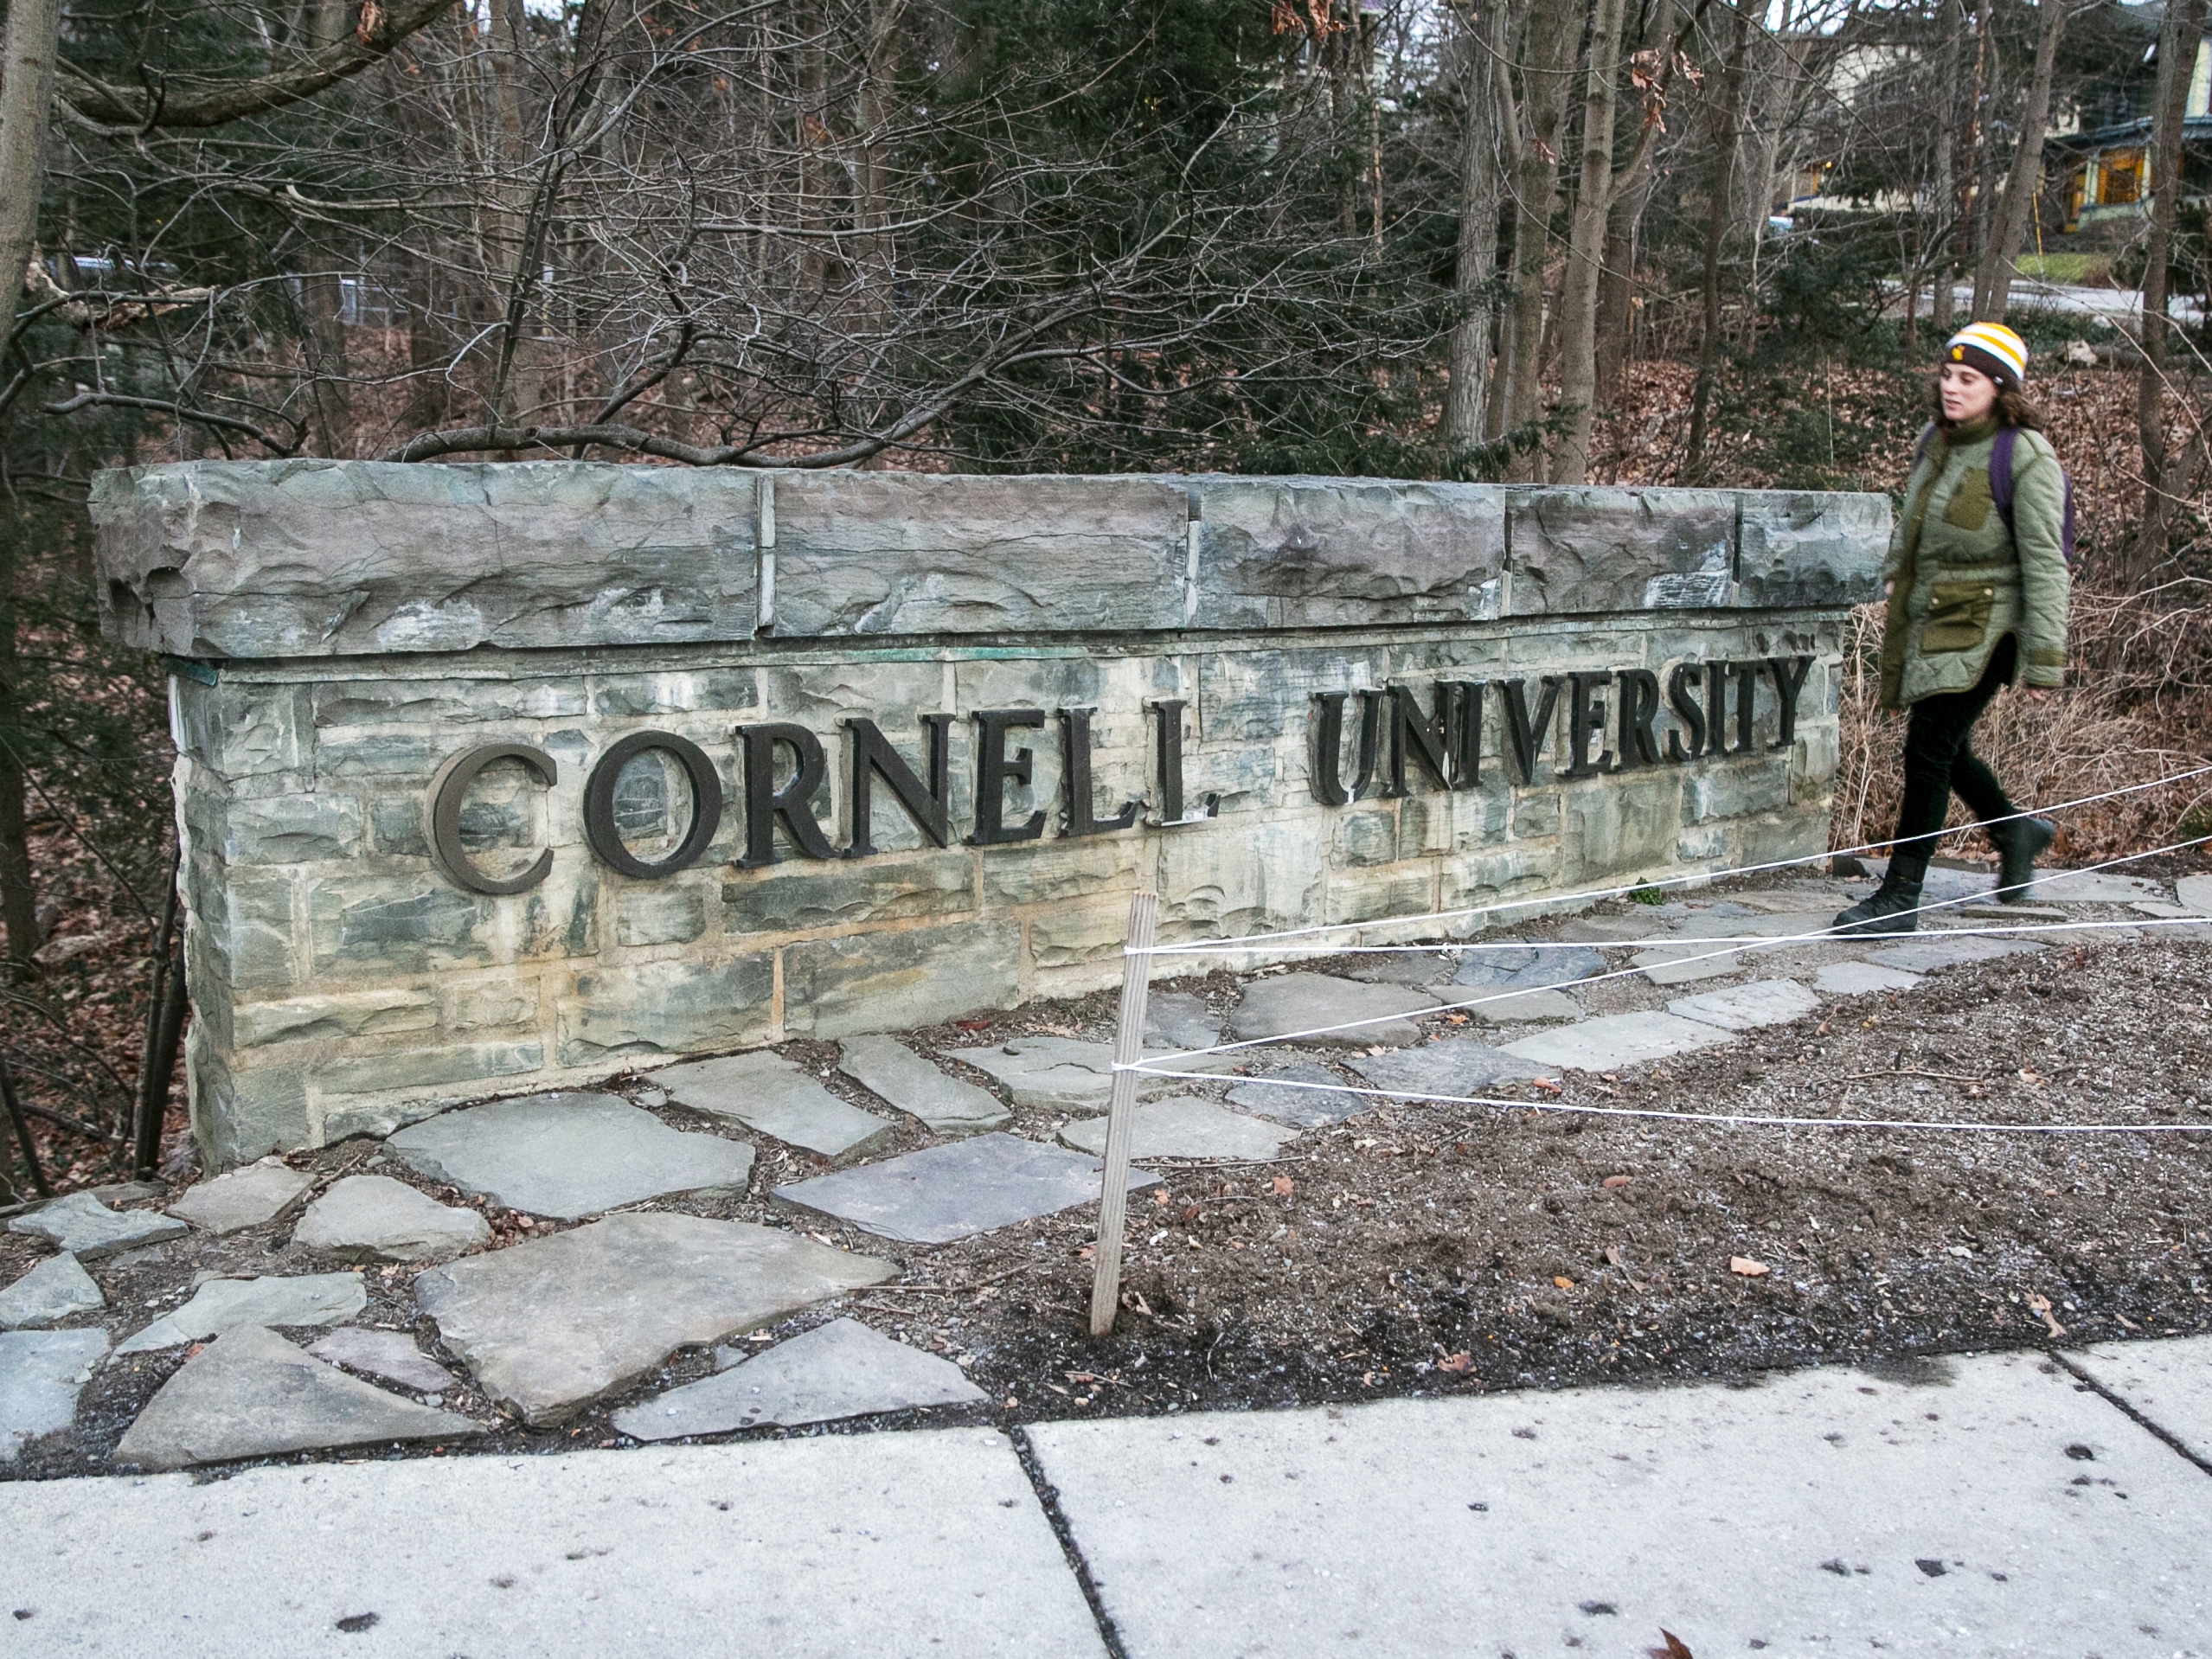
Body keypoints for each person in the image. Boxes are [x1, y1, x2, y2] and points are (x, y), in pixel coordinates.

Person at [1833, 321, 2070, 934]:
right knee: (1942, 745)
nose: (1951, 388)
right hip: (1933, 616)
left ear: (2000, 388)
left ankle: (1899, 896)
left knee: (1927, 747)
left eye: (1967, 379)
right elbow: (1913, 523)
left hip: (1989, 625)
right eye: (1946, 375)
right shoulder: (1934, 441)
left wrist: (2044, 659)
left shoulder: (2023, 455)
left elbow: (2047, 563)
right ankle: (2015, 830)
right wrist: (1893, 575)